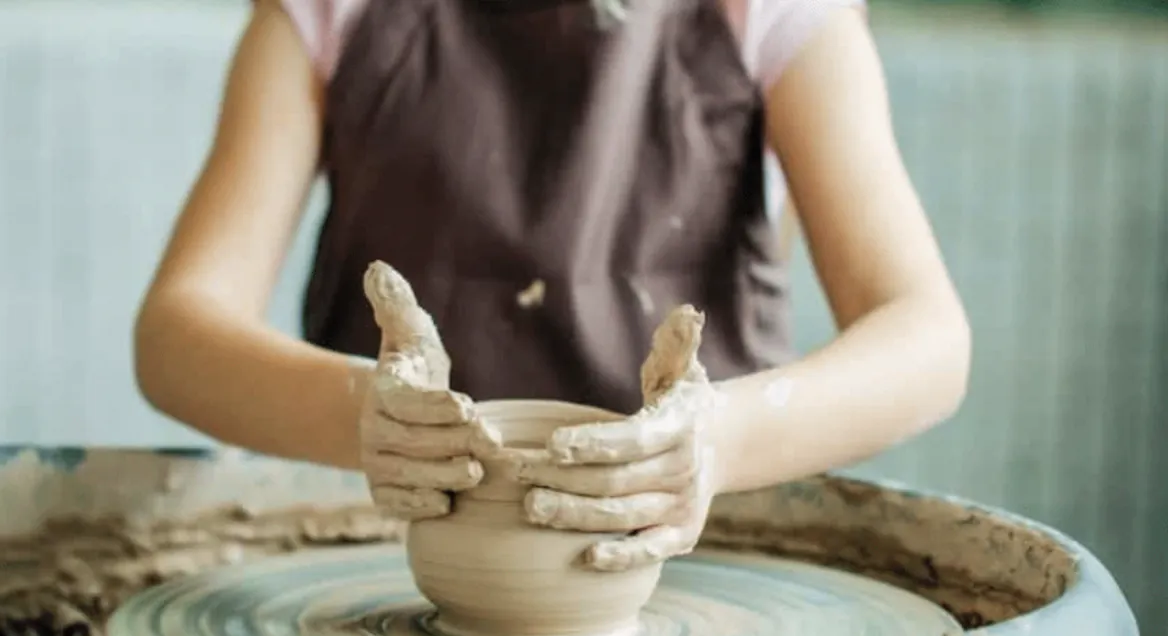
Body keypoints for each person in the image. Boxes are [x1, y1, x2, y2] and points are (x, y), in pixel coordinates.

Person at [134, 0, 971, 572]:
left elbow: (929, 337)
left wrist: (719, 439)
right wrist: (360, 414)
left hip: (691, 566)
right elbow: (175, 332)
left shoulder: (773, 12)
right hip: (394, 576)